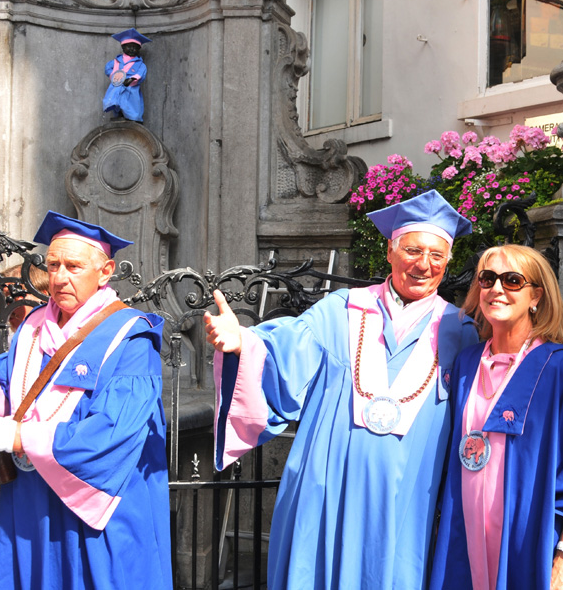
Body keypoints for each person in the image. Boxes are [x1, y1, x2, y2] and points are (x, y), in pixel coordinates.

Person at [205, 189, 480, 589]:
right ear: (390, 250)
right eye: (413, 251)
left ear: (449, 261)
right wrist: (243, 342)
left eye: (437, 256)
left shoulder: (461, 333)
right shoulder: (340, 311)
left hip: (408, 506)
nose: (424, 265)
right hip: (325, 493)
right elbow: (283, 355)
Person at [0, 212, 173, 590]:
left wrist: (14, 437)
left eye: (73, 266)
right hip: (31, 501)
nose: (59, 277)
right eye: (53, 265)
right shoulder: (32, 326)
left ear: (105, 271)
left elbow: (113, 432)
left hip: (96, 511)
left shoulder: (131, 339)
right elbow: (6, 388)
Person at [430, 245, 563, 590]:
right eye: (487, 279)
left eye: (512, 280)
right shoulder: (467, 364)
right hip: (465, 535)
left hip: (528, 538)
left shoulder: (559, 366)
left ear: (536, 297)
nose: (496, 289)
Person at [103, 28, 150, 122]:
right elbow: (107, 69)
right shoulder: (116, 61)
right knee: (116, 102)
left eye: (135, 47)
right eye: (129, 47)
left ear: (139, 49)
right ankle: (119, 114)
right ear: (123, 47)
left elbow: (141, 73)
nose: (132, 49)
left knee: (130, 104)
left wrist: (133, 79)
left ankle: (131, 118)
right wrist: (113, 75)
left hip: (130, 88)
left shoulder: (140, 64)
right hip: (117, 86)